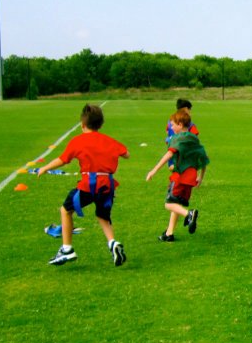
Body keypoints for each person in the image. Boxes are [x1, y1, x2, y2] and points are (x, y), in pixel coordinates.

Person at [37, 103, 129, 267]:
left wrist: (45, 167)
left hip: (89, 185)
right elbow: (126, 154)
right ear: (100, 124)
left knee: (65, 210)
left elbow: (63, 159)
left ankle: (67, 249)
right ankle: (113, 243)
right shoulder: (108, 140)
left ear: (82, 124)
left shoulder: (78, 141)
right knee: (103, 216)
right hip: (107, 185)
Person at [146, 108, 210, 242]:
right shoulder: (194, 139)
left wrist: (154, 170)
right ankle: (169, 233)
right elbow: (203, 157)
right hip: (191, 178)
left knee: (169, 204)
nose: (171, 127)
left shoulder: (178, 139)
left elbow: (169, 154)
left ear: (180, 125)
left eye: (173, 125)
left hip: (180, 176)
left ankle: (189, 214)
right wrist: (200, 177)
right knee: (176, 204)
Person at [166, 98, 199, 167]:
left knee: (173, 169)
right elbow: (195, 140)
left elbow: (167, 132)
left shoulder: (170, 121)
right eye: (190, 110)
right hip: (184, 157)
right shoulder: (189, 124)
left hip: (172, 153)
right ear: (186, 109)